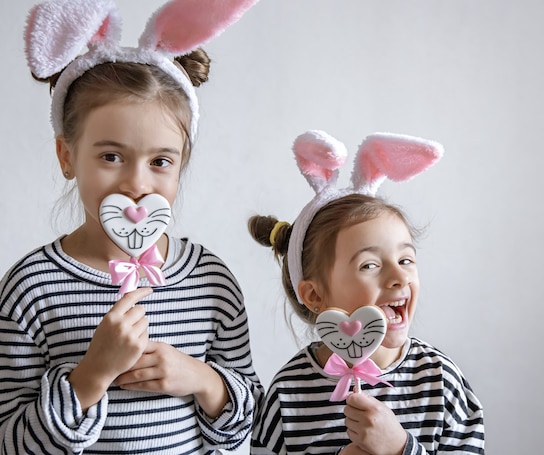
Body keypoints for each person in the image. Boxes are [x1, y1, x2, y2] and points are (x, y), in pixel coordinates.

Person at [0, 0, 262, 453]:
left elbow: (250, 419)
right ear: (67, 157)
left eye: (161, 161)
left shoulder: (211, 281)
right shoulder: (30, 288)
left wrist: (202, 379)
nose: (137, 183)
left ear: (181, 167)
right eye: (110, 156)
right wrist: (91, 376)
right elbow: (10, 441)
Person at [248, 130, 485, 454]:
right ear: (315, 295)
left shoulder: (441, 383)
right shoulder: (288, 396)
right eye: (370, 265)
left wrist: (400, 448)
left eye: (405, 259)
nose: (399, 276)